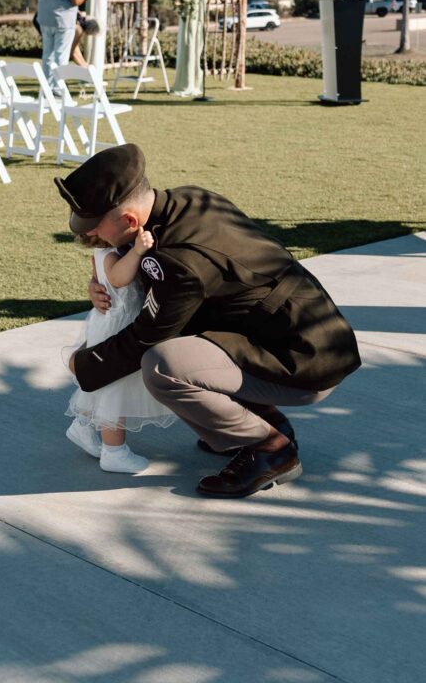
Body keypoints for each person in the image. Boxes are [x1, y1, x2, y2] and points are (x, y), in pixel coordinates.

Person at [54, 143, 362, 499]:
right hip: (298, 336)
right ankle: (265, 422)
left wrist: (86, 363)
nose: (92, 236)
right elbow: (145, 271)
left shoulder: (181, 260)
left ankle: (269, 449)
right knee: (182, 338)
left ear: (129, 220)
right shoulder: (187, 201)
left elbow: (146, 335)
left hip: (302, 361)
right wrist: (101, 282)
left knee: (162, 365)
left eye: (96, 228)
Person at [63, 227, 176, 474]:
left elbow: (100, 279)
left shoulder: (100, 253)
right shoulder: (113, 256)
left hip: (105, 325)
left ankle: (82, 425)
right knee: (115, 391)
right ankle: (114, 452)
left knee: (99, 384)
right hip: (117, 329)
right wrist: (137, 251)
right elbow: (117, 278)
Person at [33, 0, 86, 92]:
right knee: (60, 56)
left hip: (44, 18)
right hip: (63, 21)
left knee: (47, 55)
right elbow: (76, 0)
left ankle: (46, 87)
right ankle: (57, 88)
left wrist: (43, 5)